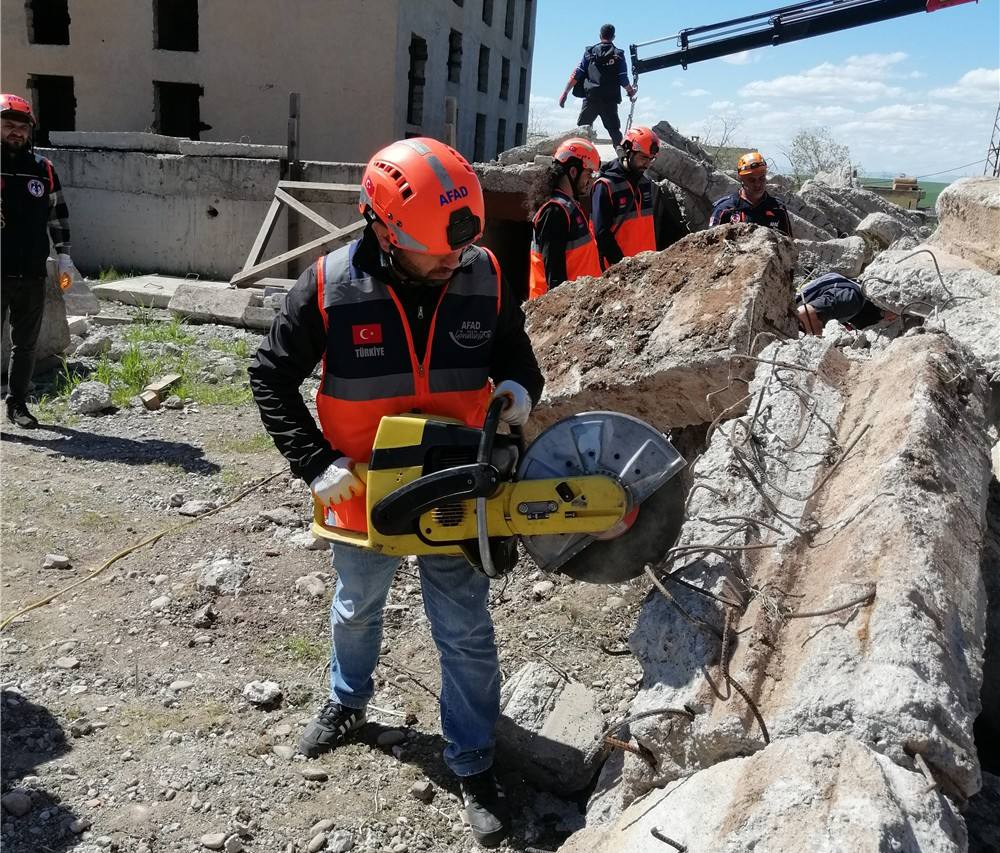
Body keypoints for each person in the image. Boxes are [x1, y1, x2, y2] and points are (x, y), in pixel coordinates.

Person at [248, 137, 543, 849]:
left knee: (465, 628)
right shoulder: (326, 286)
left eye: (459, 249)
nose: (453, 260)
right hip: (363, 493)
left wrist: (518, 390)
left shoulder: (482, 272)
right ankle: (348, 700)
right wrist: (314, 461)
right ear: (384, 228)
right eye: (437, 249)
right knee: (356, 606)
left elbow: (516, 355)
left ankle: (472, 760)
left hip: (453, 484)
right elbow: (269, 374)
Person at [1, 93, 77, 428]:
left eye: (21, 127)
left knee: (26, 346)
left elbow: (58, 217)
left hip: (32, 272)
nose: (15, 132)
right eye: (7, 125)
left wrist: (64, 258)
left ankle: (17, 406)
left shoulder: (43, 169)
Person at [526, 137, 603, 300]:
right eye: (588, 173)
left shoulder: (568, 206)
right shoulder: (555, 211)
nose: (590, 179)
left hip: (577, 305)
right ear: (573, 172)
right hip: (558, 311)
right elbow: (554, 276)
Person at [592, 125, 660, 268]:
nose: (647, 164)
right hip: (620, 270)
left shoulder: (644, 183)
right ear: (628, 151)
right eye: (643, 158)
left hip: (647, 266)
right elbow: (601, 234)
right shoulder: (605, 186)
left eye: (651, 159)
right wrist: (623, 267)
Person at [558, 23, 636, 148]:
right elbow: (623, 78)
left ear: (600, 35)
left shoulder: (589, 53)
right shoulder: (618, 55)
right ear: (613, 37)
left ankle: (578, 158)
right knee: (615, 132)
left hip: (591, 98)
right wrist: (630, 91)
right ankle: (623, 159)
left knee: (582, 132)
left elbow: (577, 74)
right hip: (609, 100)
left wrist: (565, 92)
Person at [709, 150, 793, 237]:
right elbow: (711, 244)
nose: (758, 184)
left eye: (761, 178)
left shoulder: (778, 209)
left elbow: (789, 246)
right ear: (740, 179)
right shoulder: (725, 209)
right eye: (752, 180)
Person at [796, 272, 897, 334]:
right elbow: (804, 313)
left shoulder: (852, 303)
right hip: (850, 297)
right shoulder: (851, 302)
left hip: (847, 294)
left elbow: (804, 313)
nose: (893, 317)